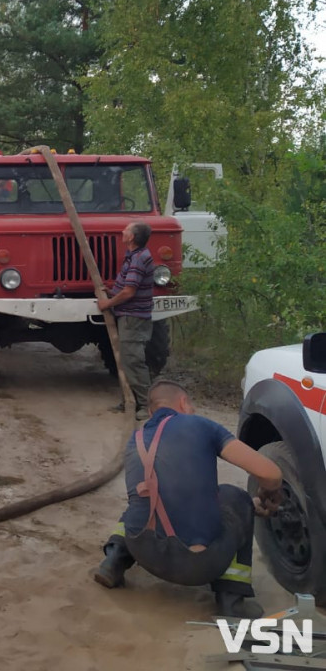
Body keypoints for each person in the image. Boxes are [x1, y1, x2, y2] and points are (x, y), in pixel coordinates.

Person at [93, 380, 283, 618]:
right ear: (183, 403)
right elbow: (270, 473)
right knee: (236, 497)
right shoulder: (201, 426)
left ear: (152, 411)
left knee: (146, 495)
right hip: (197, 566)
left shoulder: (136, 439)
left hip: (144, 551)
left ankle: (113, 562)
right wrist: (268, 492)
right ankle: (232, 600)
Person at [96, 221, 155, 420]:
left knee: (133, 361)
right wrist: (112, 291)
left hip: (134, 318)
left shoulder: (139, 259)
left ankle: (146, 406)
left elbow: (130, 292)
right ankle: (129, 400)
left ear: (131, 238)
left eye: (126, 230)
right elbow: (127, 287)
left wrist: (108, 303)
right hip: (129, 316)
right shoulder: (133, 257)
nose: (122, 231)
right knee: (126, 360)